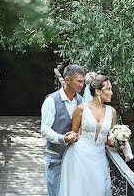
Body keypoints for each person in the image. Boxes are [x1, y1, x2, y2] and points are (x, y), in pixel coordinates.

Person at [58, 74, 116, 196]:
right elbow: (73, 134)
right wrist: (69, 137)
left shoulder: (112, 112)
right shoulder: (81, 109)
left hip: (99, 159)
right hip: (78, 157)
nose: (111, 93)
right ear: (98, 91)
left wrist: (119, 141)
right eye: (109, 89)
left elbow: (109, 139)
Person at [40, 64, 86, 196]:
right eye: (79, 81)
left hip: (75, 158)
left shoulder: (81, 101)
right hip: (55, 158)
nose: (82, 85)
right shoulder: (51, 101)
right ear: (67, 80)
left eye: (83, 81)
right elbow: (44, 130)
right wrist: (63, 139)